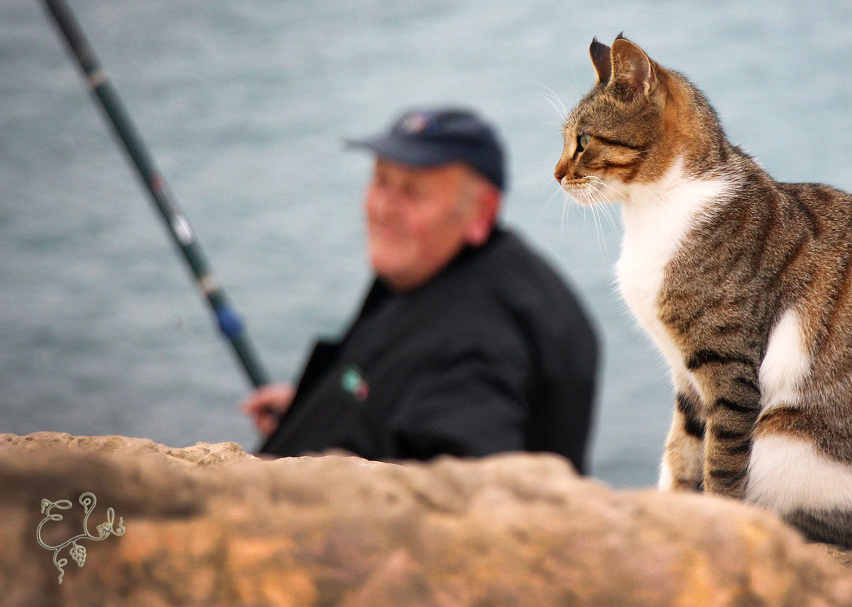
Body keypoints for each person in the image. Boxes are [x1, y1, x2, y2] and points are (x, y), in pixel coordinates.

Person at [242, 107, 600, 473]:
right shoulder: (435, 265)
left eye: (412, 191)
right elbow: (405, 391)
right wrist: (325, 407)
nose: (385, 207)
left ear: (480, 211)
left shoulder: (474, 340)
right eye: (381, 180)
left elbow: (464, 483)